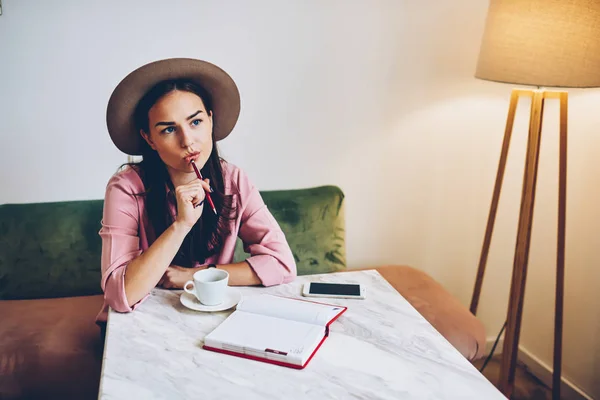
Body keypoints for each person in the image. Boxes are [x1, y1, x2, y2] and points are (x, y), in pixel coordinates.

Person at [96, 58, 297, 325]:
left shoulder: (234, 180)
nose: (188, 141)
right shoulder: (126, 188)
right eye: (169, 129)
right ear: (149, 139)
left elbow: (283, 265)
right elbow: (120, 295)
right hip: (140, 326)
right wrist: (181, 224)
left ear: (211, 120)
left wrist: (194, 275)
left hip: (210, 317)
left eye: (196, 122)